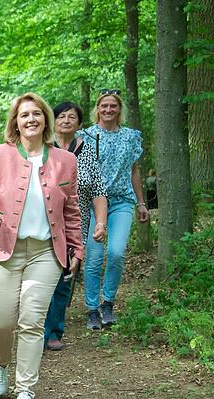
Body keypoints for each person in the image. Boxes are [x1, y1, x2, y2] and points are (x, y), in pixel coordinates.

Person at [0, 92, 83, 399]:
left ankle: (25, 391)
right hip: (3, 248)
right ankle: (1, 363)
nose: (30, 119)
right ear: (14, 122)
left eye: (36, 114)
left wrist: (77, 246)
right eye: (23, 115)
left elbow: (71, 210)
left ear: (45, 120)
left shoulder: (64, 161)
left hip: (45, 251)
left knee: (32, 322)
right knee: (2, 320)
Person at [81, 89, 149, 330]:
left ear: (120, 109)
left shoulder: (130, 137)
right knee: (94, 256)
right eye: (104, 106)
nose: (108, 110)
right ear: (97, 109)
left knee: (117, 253)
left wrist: (141, 203)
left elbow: (134, 171)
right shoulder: (86, 135)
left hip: (121, 201)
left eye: (113, 106)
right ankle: (91, 308)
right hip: (91, 203)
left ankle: (107, 302)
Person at [43, 102, 108, 350]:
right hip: (44, 222)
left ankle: (53, 332)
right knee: (42, 274)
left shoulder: (87, 150)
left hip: (74, 224)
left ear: (80, 124)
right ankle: (36, 329)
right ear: (53, 120)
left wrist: (100, 223)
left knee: (65, 276)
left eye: (72, 117)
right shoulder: (44, 147)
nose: (67, 120)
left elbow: (98, 190)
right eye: (61, 116)